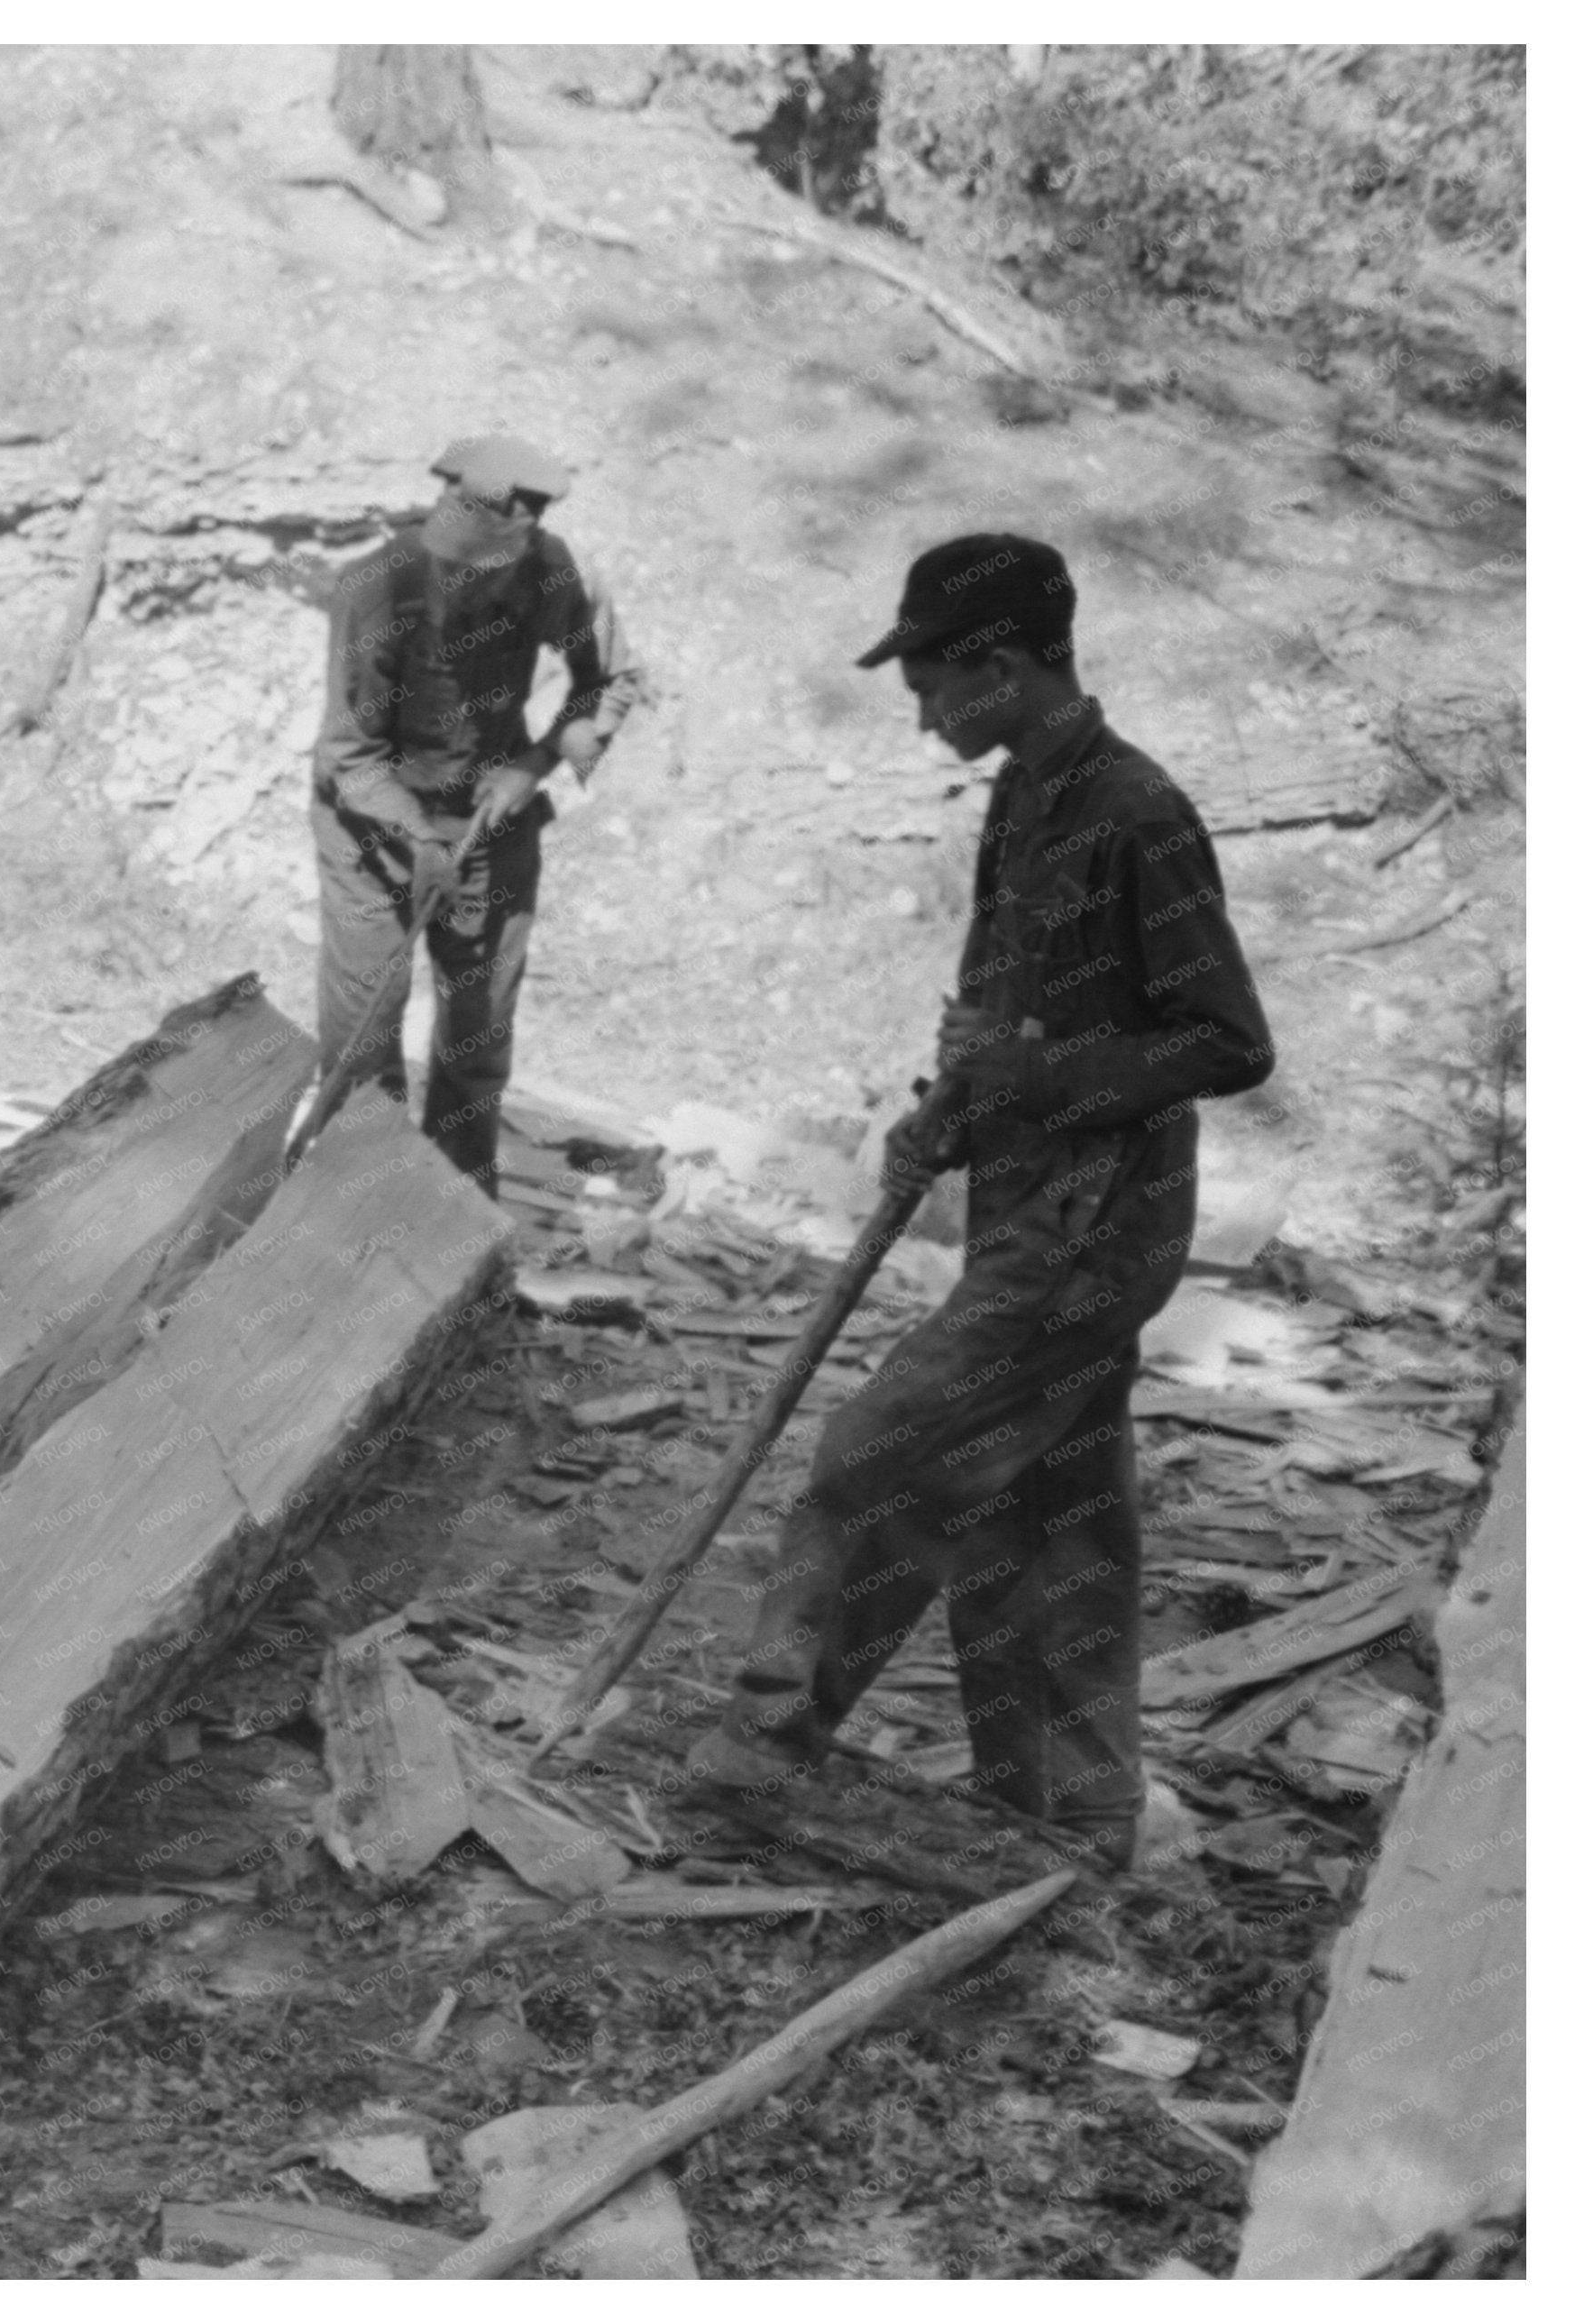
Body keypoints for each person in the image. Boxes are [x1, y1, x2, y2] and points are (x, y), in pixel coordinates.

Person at [684, 536, 1275, 1872]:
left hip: (1094, 1226)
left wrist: (1030, 1073)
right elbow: (1000, 1009)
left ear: (1001, 664)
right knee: (1045, 1511)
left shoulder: (1136, 813)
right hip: (1031, 1209)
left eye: (932, 686)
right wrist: (949, 1106)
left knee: (877, 1455)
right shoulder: (1025, 793)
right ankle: (1066, 1807)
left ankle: (766, 1742)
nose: (921, 717)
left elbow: (1229, 1041)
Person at [307, 434, 635, 1194]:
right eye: (450, 565)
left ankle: (453, 1212)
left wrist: (536, 763)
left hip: (491, 815)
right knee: (363, 1031)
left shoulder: (554, 574)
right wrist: (419, 837)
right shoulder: (377, 587)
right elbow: (349, 754)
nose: (459, 583)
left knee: (477, 1034)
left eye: (479, 571)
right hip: (370, 828)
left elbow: (608, 682)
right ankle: (355, 1204)